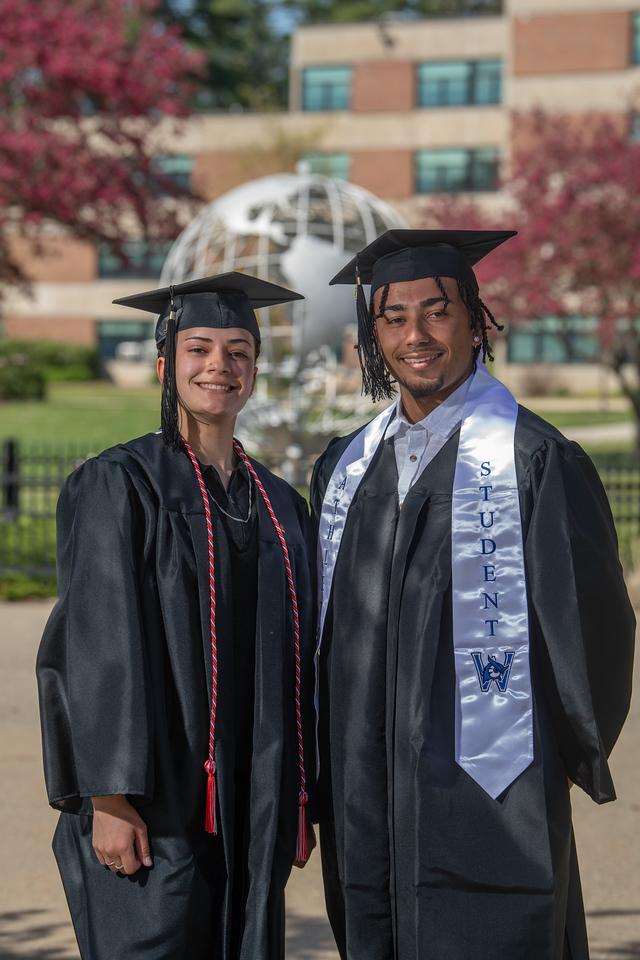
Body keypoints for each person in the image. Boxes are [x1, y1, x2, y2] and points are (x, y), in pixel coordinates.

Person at [310, 230, 635, 960]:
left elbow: (597, 632)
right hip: (364, 795)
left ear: (476, 320)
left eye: (437, 311)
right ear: (373, 335)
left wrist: (550, 754)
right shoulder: (347, 469)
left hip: (489, 789)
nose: (416, 336)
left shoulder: (536, 460)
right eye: (393, 318)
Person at [37, 273, 316, 960]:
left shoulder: (278, 505)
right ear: (165, 366)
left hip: (250, 793)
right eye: (198, 349)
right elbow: (97, 645)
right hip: (154, 795)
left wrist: (301, 789)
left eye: (238, 351)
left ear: (254, 369)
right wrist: (108, 796)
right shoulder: (121, 484)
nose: (219, 367)